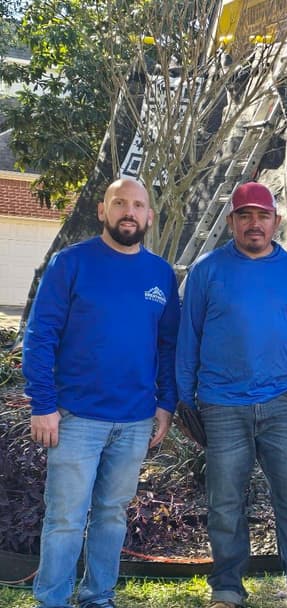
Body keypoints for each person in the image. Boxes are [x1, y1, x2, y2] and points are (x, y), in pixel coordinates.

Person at [176, 182, 287, 608]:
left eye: (262, 215)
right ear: (231, 221)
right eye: (244, 215)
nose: (254, 224)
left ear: (276, 222)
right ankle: (227, 589)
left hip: (283, 401)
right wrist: (183, 400)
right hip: (221, 403)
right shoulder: (207, 270)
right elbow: (187, 338)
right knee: (225, 504)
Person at [24, 178, 178, 608]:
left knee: (111, 515)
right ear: (102, 209)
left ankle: (98, 597)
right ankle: (51, 600)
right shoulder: (70, 263)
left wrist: (165, 404)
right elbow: (40, 336)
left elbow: (168, 346)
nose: (129, 212)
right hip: (75, 417)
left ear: (149, 215)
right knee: (65, 519)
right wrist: (43, 405)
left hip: (134, 420)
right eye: (120, 203)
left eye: (138, 205)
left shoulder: (160, 274)